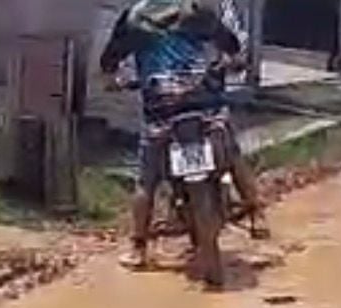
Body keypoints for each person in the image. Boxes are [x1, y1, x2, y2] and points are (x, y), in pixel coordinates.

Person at [100, 0, 266, 270]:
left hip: (161, 113)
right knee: (232, 152)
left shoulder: (134, 17)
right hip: (204, 105)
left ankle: (138, 247)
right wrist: (230, 62)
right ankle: (256, 212)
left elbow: (109, 62)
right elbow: (231, 47)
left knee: (146, 182)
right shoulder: (196, 11)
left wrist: (114, 82)